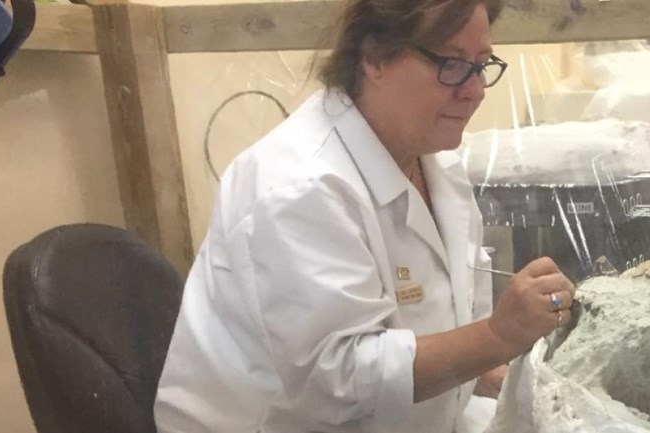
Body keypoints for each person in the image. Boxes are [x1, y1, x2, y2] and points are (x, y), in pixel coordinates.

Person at [153, 1, 577, 431]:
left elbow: (445, 321)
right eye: (451, 64)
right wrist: (496, 337)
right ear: (374, 56)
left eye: (482, 64)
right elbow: (338, 382)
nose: (475, 90)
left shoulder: (436, 166)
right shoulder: (298, 186)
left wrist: (488, 369)